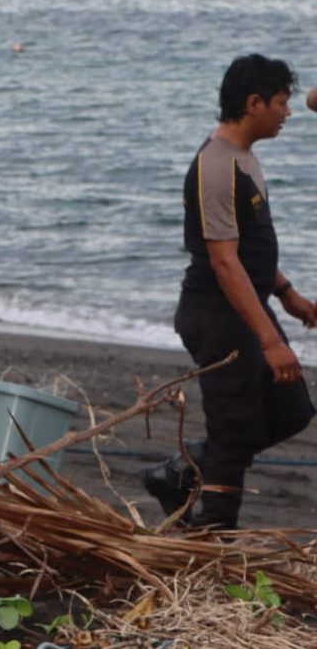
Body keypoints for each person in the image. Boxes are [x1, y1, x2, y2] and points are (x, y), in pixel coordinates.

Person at [142, 54, 316, 530]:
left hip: (245, 305)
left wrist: (287, 293)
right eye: (280, 103)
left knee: (292, 409)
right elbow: (223, 260)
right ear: (253, 103)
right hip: (217, 312)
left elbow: (251, 247)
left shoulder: (244, 157)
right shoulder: (215, 165)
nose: (288, 113)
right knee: (234, 427)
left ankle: (182, 470)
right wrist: (271, 341)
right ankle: (214, 533)